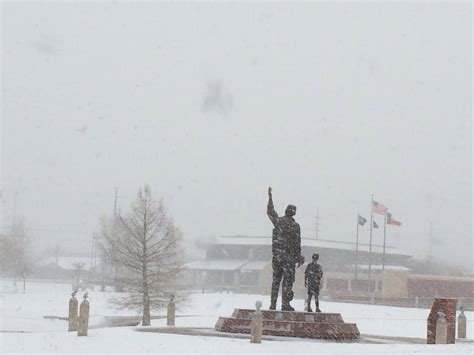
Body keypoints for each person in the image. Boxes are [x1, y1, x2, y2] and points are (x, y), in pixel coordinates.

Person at [267, 186, 303, 311]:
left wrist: (270, 198)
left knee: (276, 281)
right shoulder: (295, 226)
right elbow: (297, 243)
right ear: (294, 213)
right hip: (288, 258)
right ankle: (285, 304)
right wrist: (298, 257)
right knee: (287, 282)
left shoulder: (278, 221)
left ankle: (272, 304)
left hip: (277, 257)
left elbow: (270, 212)